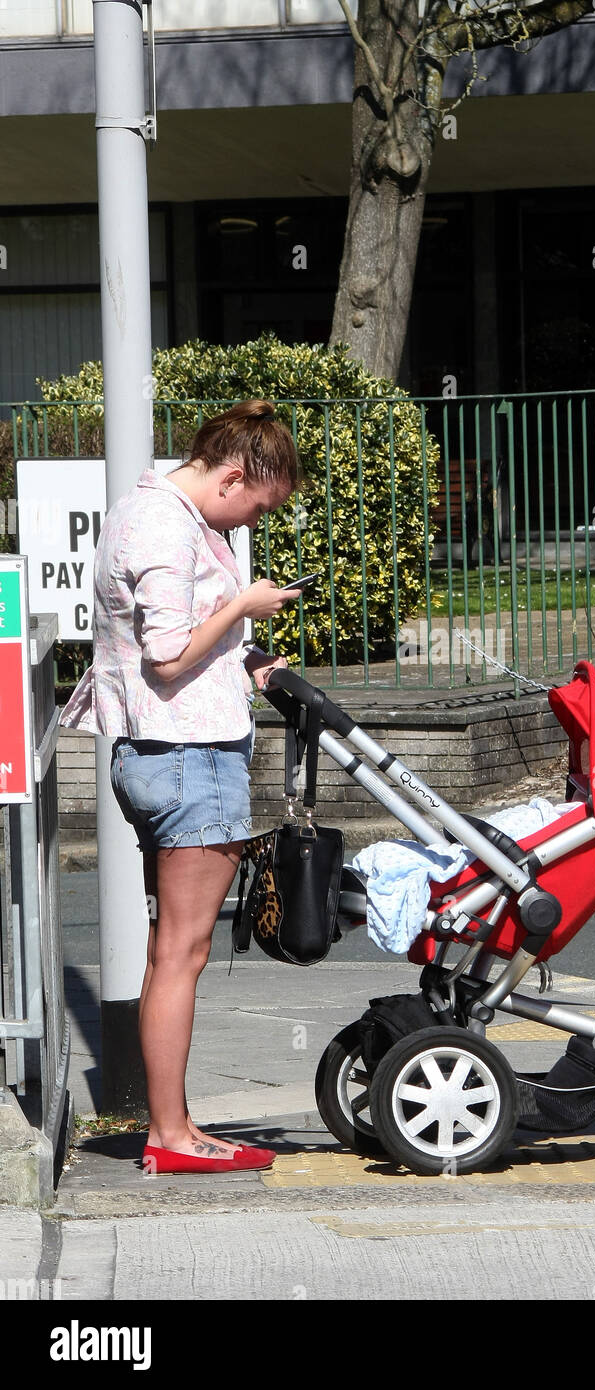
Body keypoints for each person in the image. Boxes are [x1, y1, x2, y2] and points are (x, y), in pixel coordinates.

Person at [60, 400, 302, 1174]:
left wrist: (248, 656)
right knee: (181, 953)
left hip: (159, 751)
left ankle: (172, 1124)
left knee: (172, 947)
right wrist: (245, 602)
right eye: (255, 506)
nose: (247, 521)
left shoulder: (149, 510)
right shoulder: (167, 526)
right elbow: (166, 656)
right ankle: (172, 1134)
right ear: (233, 476)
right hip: (189, 756)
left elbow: (166, 644)